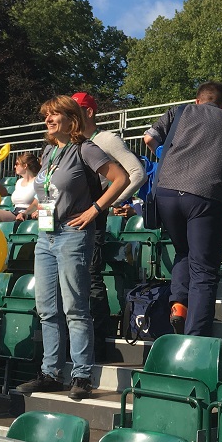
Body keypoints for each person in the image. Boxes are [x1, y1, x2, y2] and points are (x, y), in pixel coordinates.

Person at [15, 95, 128, 398]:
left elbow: (121, 178)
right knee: (47, 309)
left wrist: (94, 210)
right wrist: (33, 208)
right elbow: (48, 189)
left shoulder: (85, 149)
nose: (48, 120)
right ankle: (51, 373)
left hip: (72, 235)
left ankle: (82, 375)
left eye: (54, 115)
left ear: (71, 119)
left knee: (75, 309)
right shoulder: (49, 151)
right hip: (45, 235)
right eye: (46, 115)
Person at [143, 82, 222, 337]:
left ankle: (179, 306)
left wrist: (166, 157)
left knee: (183, 251)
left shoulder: (179, 111)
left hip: (167, 193)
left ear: (198, 100)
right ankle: (196, 336)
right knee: (204, 270)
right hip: (205, 196)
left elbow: (148, 137)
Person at [71, 91, 147, 359]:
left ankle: (100, 342)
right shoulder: (71, 142)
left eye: (75, 110)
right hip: (71, 219)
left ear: (89, 112)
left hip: (93, 218)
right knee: (75, 280)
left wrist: (106, 204)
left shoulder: (106, 139)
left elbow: (136, 173)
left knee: (91, 277)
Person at [0, 152, 41, 222]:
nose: (15, 166)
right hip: (15, 212)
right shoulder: (19, 182)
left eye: (17, 164)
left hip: (29, 214)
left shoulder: (37, 181)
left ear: (25, 166)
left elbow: (40, 200)